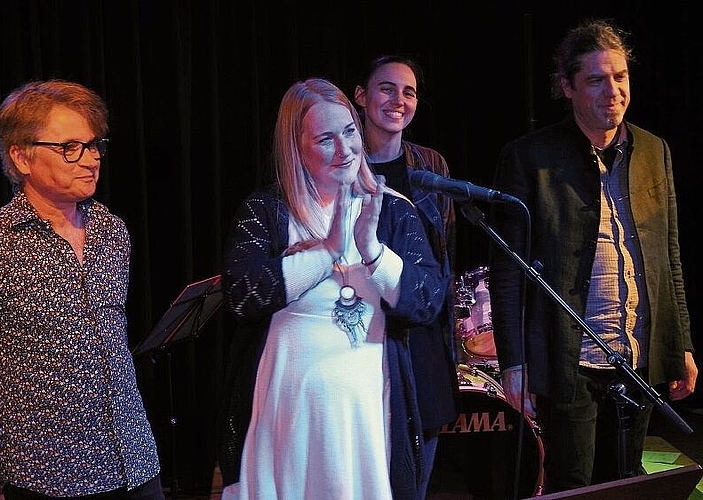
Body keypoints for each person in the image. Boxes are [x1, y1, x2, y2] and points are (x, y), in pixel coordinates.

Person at [488, 19, 698, 494]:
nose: (613, 91)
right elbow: (507, 272)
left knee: (626, 483)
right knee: (574, 484)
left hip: (635, 357)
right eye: (597, 80)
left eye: (620, 77)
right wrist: (514, 363)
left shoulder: (653, 151)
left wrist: (680, 344)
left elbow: (670, 257)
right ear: (567, 86)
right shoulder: (529, 157)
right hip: (570, 361)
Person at [216, 77, 447, 500]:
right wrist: (327, 252)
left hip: (365, 415)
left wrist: (373, 252)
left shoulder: (392, 209)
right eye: (326, 139)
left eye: (349, 132)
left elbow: (428, 301)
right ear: (296, 147)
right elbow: (242, 295)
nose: (344, 150)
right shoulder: (266, 210)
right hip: (287, 414)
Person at [0, 80, 163, 499]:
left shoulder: (112, 231)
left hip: (133, 458)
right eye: (70, 147)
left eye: (93, 145)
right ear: (21, 156)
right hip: (45, 472)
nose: (90, 160)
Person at [354, 55, 459, 499]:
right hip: (360, 344)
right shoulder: (338, 160)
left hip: (421, 345)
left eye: (409, 91)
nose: (399, 100)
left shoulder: (431, 165)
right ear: (360, 97)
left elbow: (441, 256)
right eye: (386, 88)